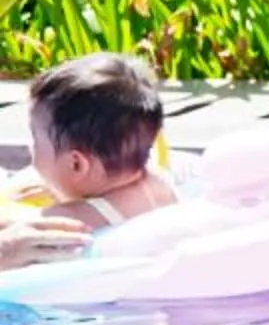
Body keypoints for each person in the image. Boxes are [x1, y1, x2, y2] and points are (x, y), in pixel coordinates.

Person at [18, 53, 178, 231]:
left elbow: (13, 227)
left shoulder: (68, 218)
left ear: (76, 164)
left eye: (35, 139)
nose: (29, 146)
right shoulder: (159, 185)